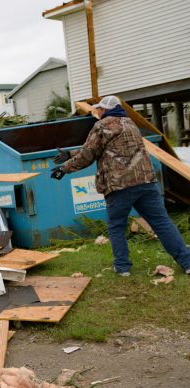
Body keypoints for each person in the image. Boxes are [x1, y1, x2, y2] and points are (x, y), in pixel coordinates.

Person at [51, 95, 190, 277]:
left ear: (106, 110)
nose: (98, 111)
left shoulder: (102, 125)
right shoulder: (131, 123)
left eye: (100, 108)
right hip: (145, 182)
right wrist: (70, 153)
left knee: (116, 226)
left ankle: (122, 268)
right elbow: (104, 147)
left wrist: (64, 168)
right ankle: (187, 263)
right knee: (162, 223)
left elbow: (88, 154)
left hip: (120, 186)